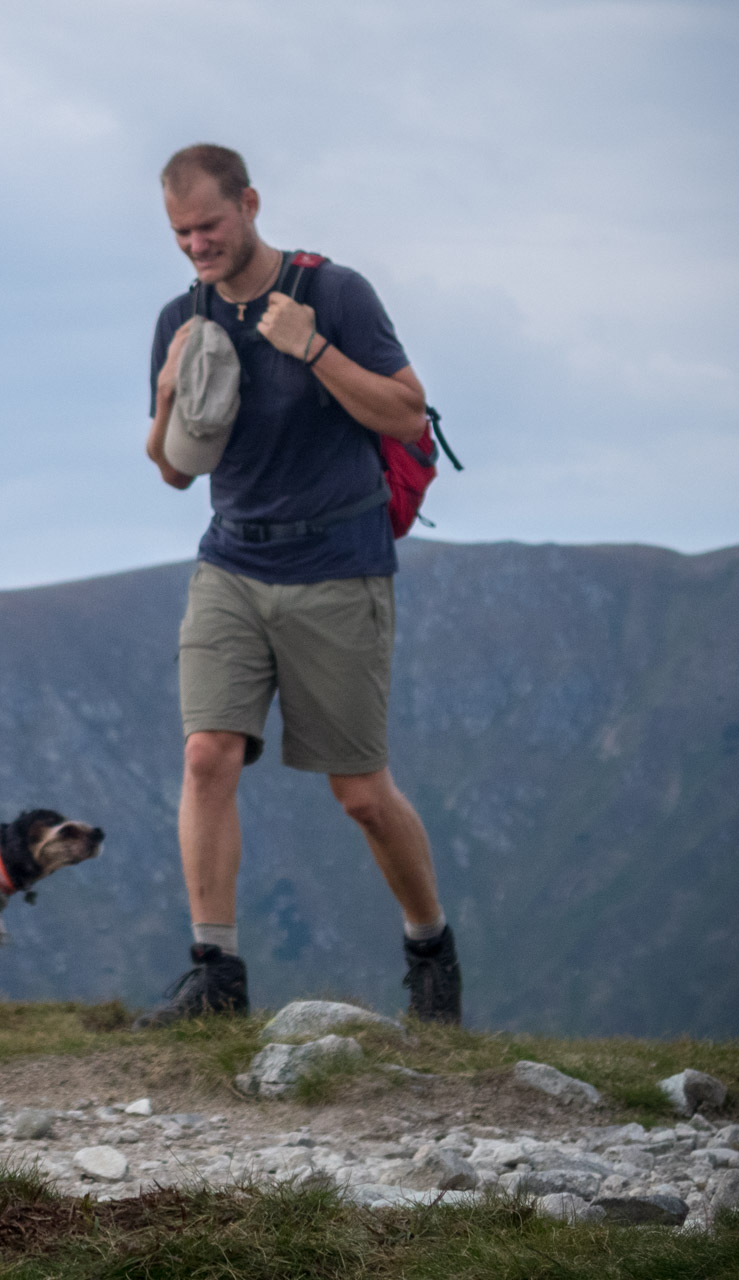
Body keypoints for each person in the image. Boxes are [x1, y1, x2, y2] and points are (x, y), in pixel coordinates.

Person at [132, 143, 462, 1027]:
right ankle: (216, 974)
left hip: (337, 565)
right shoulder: (179, 316)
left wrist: (309, 347)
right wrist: (165, 396)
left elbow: (405, 412)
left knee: (359, 793)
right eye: (179, 233)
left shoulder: (335, 294)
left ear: (249, 204)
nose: (195, 245)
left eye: (207, 225)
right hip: (232, 561)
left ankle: (430, 950)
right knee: (208, 754)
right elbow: (171, 473)